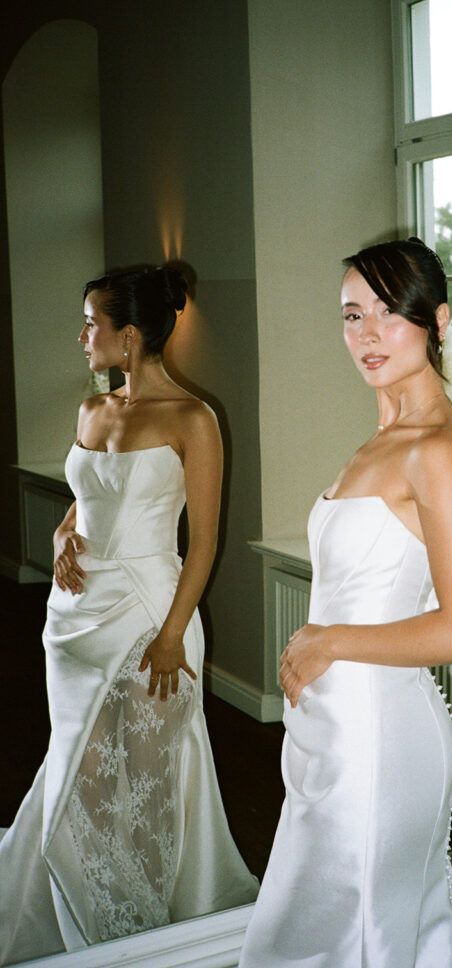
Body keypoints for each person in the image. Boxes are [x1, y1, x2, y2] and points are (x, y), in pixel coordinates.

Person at [239, 238, 452, 968]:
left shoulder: (435, 449)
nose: (367, 335)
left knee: (350, 929)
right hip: (333, 727)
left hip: (377, 739)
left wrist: (330, 641)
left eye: (388, 313)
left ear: (437, 321)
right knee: (325, 924)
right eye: (352, 315)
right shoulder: (381, 440)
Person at [0, 265, 258, 966]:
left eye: (92, 323)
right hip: (75, 621)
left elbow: (204, 537)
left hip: (152, 617)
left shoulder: (193, 419)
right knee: (79, 772)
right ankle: (88, 914)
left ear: (131, 335)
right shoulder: (93, 410)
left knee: (147, 779)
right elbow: (85, 494)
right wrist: (61, 533)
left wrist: (174, 632)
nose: (83, 335)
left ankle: (147, 928)